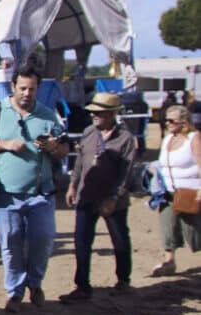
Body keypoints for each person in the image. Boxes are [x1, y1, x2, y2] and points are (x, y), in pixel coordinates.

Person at [0, 66, 68, 313]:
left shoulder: (47, 115)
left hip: (41, 193)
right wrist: (5, 144)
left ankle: (35, 283)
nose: (27, 93)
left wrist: (53, 147)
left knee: (43, 240)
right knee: (11, 244)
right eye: (23, 88)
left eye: (32, 88)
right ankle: (14, 292)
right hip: (7, 194)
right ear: (13, 87)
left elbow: (64, 148)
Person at [60, 93, 137, 301]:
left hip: (113, 199)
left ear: (112, 114)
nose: (93, 115)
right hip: (87, 195)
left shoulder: (125, 139)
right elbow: (80, 163)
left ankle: (123, 280)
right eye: (93, 111)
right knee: (82, 241)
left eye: (99, 112)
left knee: (120, 241)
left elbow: (126, 173)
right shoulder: (88, 133)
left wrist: (114, 198)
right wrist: (73, 185)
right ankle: (82, 286)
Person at [149, 104, 201, 276]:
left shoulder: (194, 137)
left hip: (190, 192)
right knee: (167, 225)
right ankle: (169, 261)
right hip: (168, 192)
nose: (167, 123)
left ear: (184, 122)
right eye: (166, 120)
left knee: (194, 230)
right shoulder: (167, 139)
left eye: (172, 120)